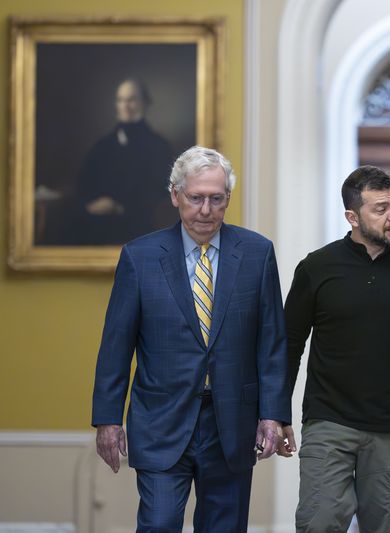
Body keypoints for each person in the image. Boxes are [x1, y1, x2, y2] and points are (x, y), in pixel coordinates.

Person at [91, 146, 291, 532]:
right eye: (195, 198)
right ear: (175, 196)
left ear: (228, 199)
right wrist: (107, 419)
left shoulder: (256, 253)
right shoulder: (140, 257)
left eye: (216, 199)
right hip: (161, 420)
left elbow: (272, 343)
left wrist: (273, 415)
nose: (205, 210)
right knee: (159, 523)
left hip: (231, 423)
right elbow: (116, 345)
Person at [282, 165, 390, 532]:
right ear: (353, 217)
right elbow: (289, 344)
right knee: (318, 524)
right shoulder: (317, 267)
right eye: (381, 209)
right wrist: (276, 414)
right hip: (328, 421)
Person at [73, 78, 175, 245]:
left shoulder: (159, 146)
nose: (125, 106)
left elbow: (162, 191)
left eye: (131, 100)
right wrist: (90, 205)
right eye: (120, 100)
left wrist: (119, 207)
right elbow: (83, 184)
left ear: (145, 103)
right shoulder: (102, 145)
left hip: (139, 224)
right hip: (96, 223)